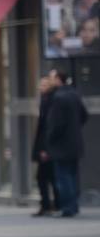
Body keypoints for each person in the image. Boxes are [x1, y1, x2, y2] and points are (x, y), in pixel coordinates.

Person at [41, 70, 89, 218]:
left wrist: (49, 140)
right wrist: (74, 129)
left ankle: (68, 207)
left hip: (61, 146)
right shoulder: (74, 94)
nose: (50, 80)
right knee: (73, 176)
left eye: (52, 78)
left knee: (63, 177)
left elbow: (56, 124)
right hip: (75, 143)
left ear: (58, 80)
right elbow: (84, 115)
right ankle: (74, 206)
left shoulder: (58, 97)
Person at [32, 75, 59, 216]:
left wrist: (44, 148)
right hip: (47, 146)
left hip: (47, 147)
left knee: (44, 177)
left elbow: (48, 128)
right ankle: (50, 204)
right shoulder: (46, 100)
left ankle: (48, 205)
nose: (41, 88)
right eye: (40, 85)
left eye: (44, 85)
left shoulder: (50, 101)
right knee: (48, 177)